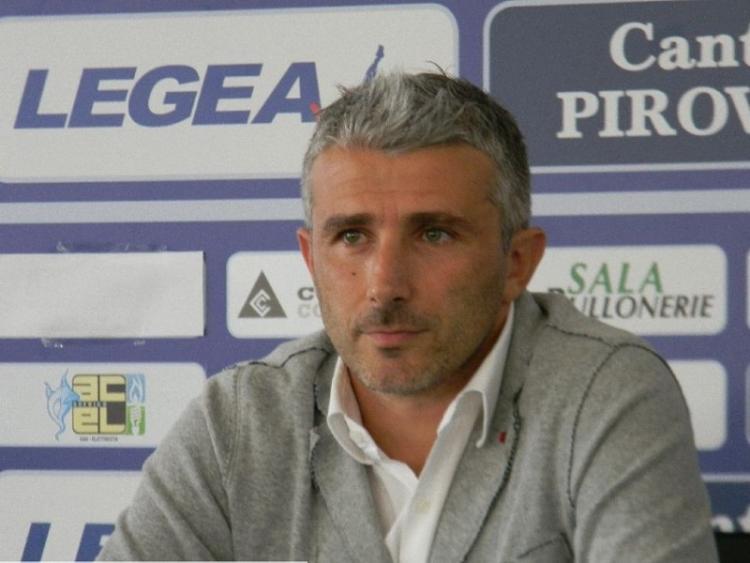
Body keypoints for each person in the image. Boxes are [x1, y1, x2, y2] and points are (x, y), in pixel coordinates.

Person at [98, 72, 718, 562]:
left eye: (435, 234)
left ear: (517, 263)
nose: (385, 285)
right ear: (311, 259)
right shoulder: (238, 421)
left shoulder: (603, 393)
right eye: (351, 237)